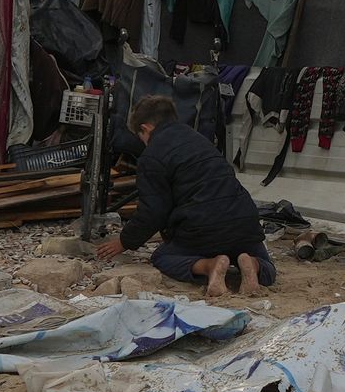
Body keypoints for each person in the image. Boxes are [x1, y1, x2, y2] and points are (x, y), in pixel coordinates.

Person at [95, 89, 274, 295]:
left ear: (145, 128)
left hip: (203, 229)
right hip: (244, 222)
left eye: (140, 136)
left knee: (162, 258)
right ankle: (251, 263)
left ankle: (210, 266)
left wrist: (125, 241)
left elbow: (153, 211)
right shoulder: (200, 140)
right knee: (268, 267)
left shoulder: (152, 156)